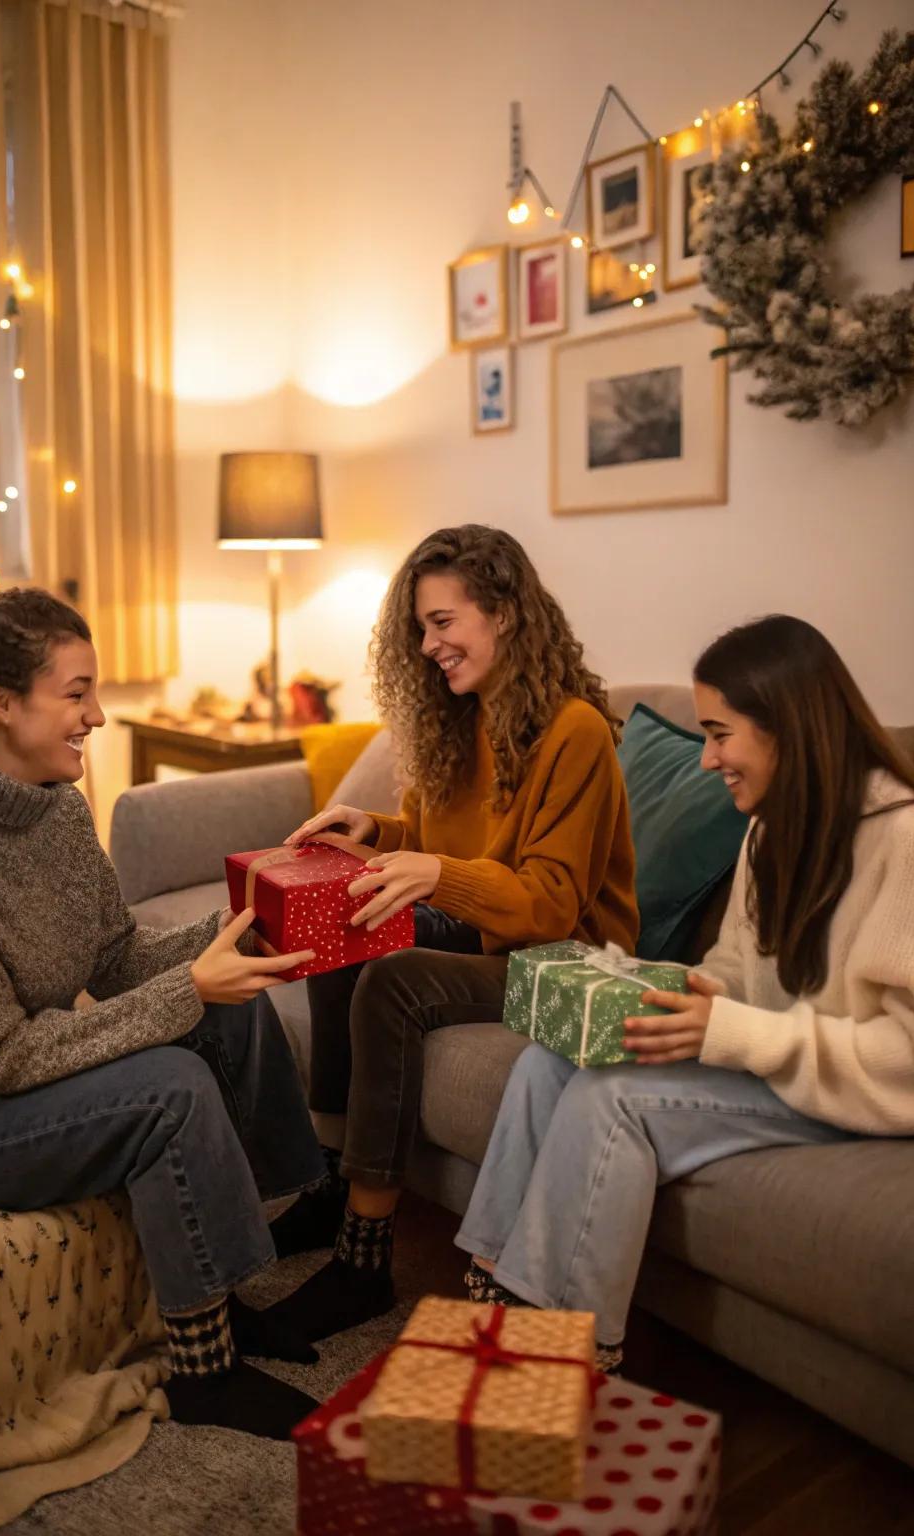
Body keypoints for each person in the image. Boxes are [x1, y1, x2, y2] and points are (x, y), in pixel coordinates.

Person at [0, 588, 328, 1440]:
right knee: (170, 1080)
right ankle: (206, 1371)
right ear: (3, 703)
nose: (97, 714)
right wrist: (185, 991)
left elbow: (117, 958)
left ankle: (251, 1266)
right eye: (78, 691)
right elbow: (0, 1058)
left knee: (229, 1015)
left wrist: (251, 920)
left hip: (12, 1082)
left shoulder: (58, 808)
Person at [455, 614, 914, 1374]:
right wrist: (665, 996)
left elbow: (905, 1057)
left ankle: (562, 1360)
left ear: (787, 727)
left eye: (719, 734)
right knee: (547, 1063)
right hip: (777, 1065)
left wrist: (733, 1033)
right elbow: (735, 966)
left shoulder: (900, 839)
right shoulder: (771, 830)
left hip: (855, 1095)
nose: (707, 760)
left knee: (615, 1098)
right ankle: (492, 1308)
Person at [264, 524, 639, 1342]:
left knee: (393, 980)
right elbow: (448, 853)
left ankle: (364, 1259)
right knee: (343, 925)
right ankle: (332, 1181)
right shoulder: (458, 720)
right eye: (422, 628)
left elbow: (549, 903)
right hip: (485, 929)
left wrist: (432, 874)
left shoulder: (574, 731)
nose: (430, 645)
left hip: (562, 959)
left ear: (504, 613)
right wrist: (378, 834)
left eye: (443, 622)